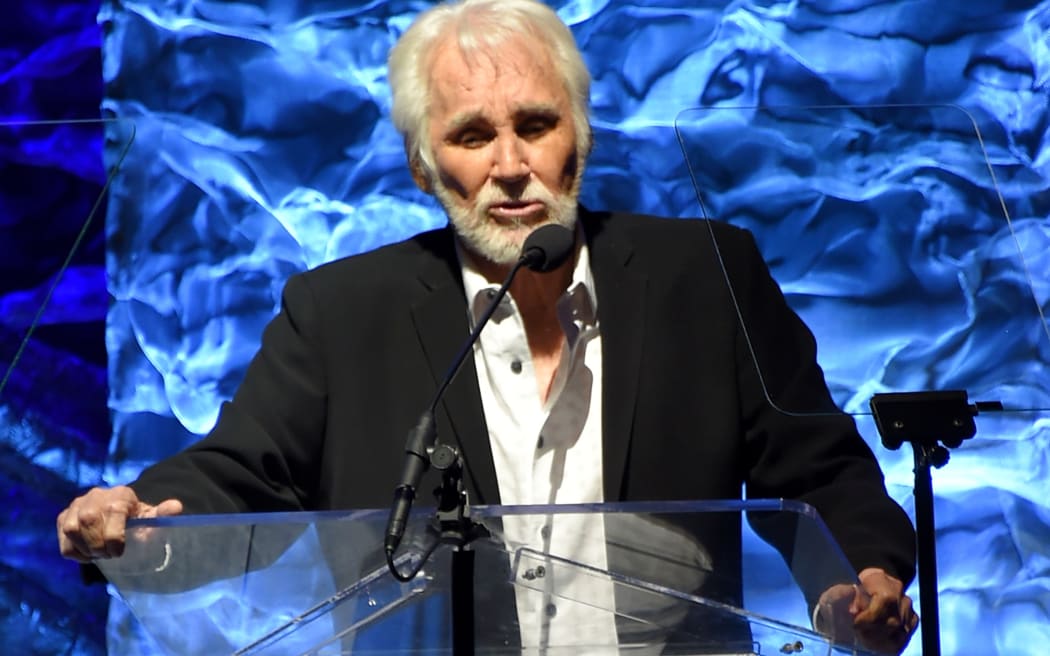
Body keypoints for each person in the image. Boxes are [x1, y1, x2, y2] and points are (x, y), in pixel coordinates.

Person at [57, 0, 919, 653]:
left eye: (535, 125)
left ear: (580, 134)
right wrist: (140, 520)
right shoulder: (341, 313)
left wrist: (861, 574)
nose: (511, 166)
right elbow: (238, 478)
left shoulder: (707, 275)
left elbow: (817, 468)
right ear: (422, 165)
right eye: (472, 136)